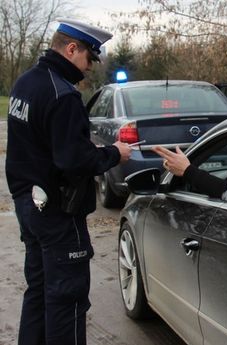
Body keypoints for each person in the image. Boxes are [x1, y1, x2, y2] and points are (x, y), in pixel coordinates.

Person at [5, 18, 132, 345]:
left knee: (39, 291)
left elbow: (37, 145)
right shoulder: (63, 95)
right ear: (71, 48)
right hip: (58, 214)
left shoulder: (25, 83)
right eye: (89, 58)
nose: (89, 67)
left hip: (29, 205)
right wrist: (114, 154)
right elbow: (74, 162)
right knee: (67, 299)